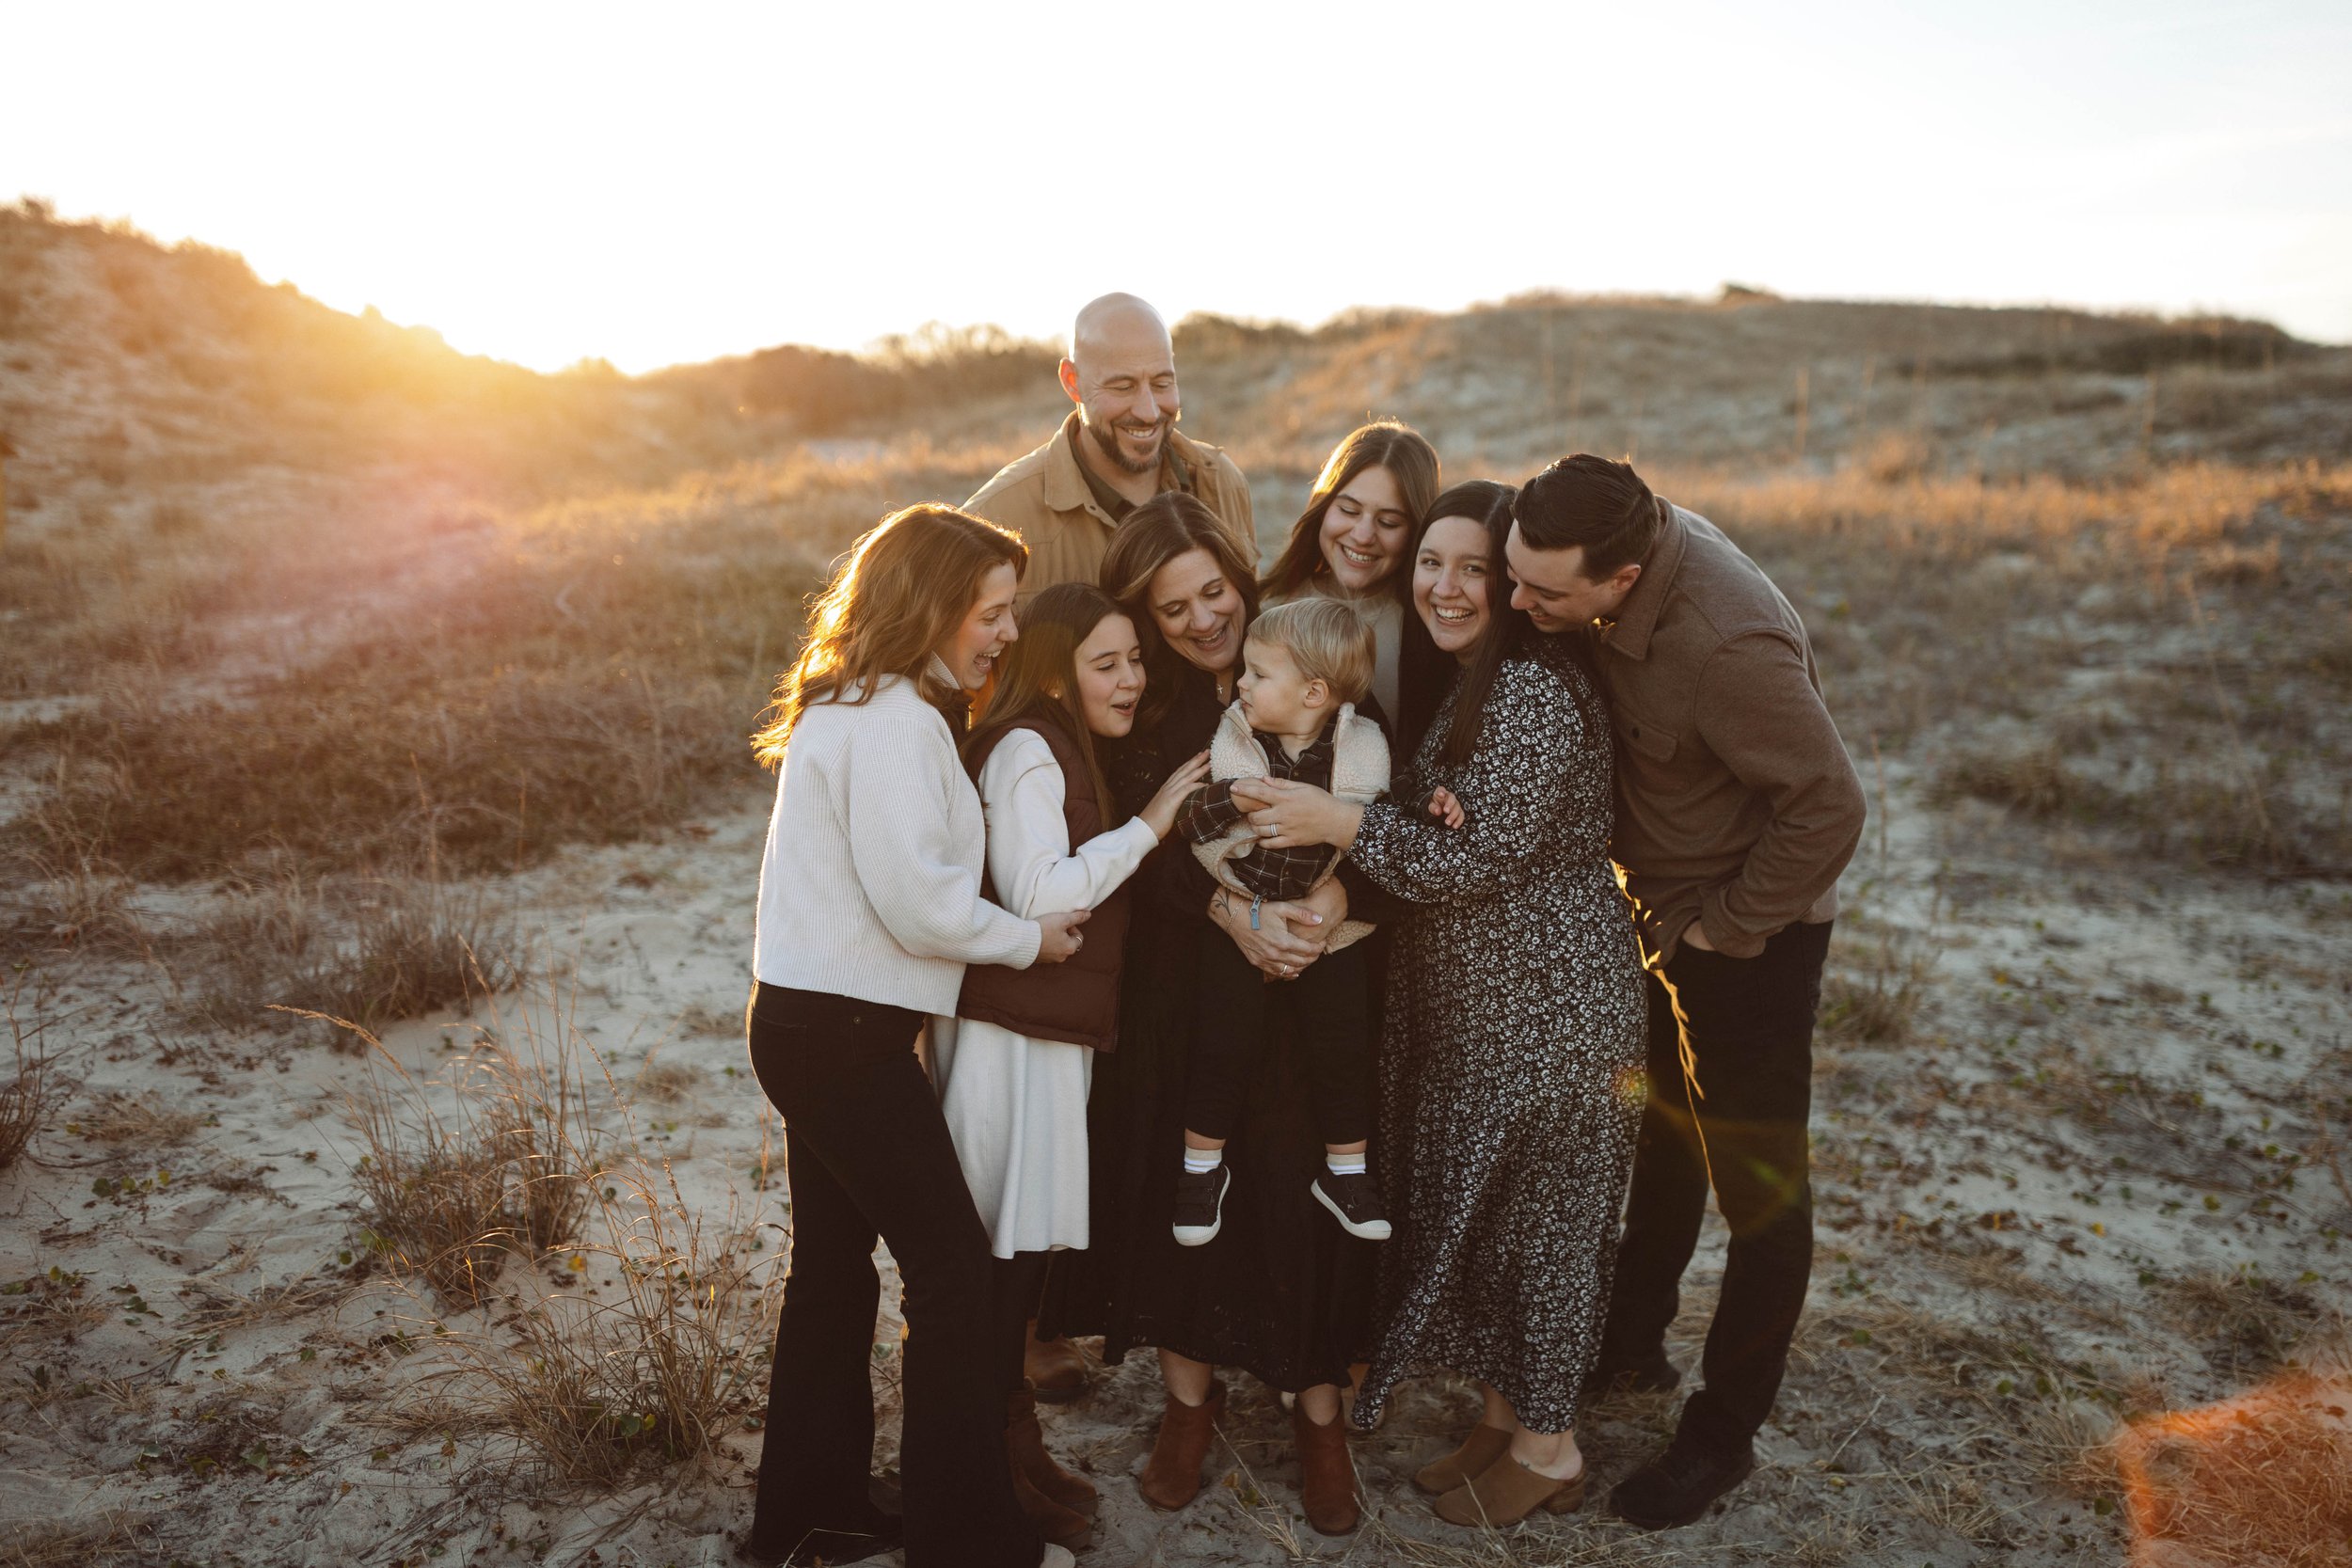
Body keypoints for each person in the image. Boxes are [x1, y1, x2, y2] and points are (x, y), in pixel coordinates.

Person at [1233, 478, 1648, 1528]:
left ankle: (1549, 1448)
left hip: (1551, 1005)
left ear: (1509, 580)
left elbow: (1477, 859)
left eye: (1472, 567)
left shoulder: (1531, 688)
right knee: (1504, 1227)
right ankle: (1503, 1421)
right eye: (1434, 562)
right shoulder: (1478, 679)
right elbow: (1458, 836)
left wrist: (1335, 818)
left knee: (1546, 1231)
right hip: (1489, 1007)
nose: (1446, 585)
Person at [1503, 455, 1866, 1531]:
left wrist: (1726, 926)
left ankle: (1721, 1437)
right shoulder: (1606, 546)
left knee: (1759, 1193)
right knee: (1659, 1131)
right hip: (1654, 911)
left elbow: (1829, 805)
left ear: (1620, 579)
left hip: (1744, 938)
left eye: (1543, 593)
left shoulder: (1725, 645)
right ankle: (1630, 1344)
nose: (1519, 603)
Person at [741, 503, 1090, 1568]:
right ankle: (970, 1543)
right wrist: (1031, 939)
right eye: (989, 611)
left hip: (809, 1024)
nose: (1003, 632)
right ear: (931, 606)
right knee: (950, 1273)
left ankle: (812, 1514)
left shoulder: (852, 704)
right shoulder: (894, 720)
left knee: (835, 1273)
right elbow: (922, 905)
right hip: (843, 1038)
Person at [1038, 491, 1372, 1538]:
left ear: (1241, 576)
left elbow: (1378, 812)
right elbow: (1140, 856)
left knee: (1300, 1176)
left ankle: (1321, 1412)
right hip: (1188, 985)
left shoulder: (1309, 656)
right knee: (1186, 1191)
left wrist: (1334, 899)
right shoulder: (1155, 709)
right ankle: (1190, 1403)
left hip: (1317, 978)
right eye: (1170, 606)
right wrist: (1232, 911)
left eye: (1212, 591)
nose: (1199, 619)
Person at [930, 582, 1209, 1552]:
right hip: (1009, 1043)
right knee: (998, 1269)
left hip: (1041, 1036)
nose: (1130, 677)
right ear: (1055, 669)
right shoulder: (1025, 751)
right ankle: (989, 1469)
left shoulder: (1051, 746)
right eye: (1107, 661)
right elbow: (1042, 892)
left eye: (1136, 658)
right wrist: (1152, 821)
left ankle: (1013, 1456)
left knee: (1018, 1269)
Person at [1172, 598, 1393, 1247]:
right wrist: (1229, 796)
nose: (1240, 685)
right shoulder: (1236, 742)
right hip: (1241, 913)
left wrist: (1443, 809)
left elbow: (1384, 831)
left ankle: (1347, 1172)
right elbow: (1189, 824)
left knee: (1343, 1043)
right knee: (1223, 1040)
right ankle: (1199, 1170)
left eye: (1258, 675)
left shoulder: (1362, 748)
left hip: (1330, 930)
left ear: (1314, 693)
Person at [965, 293, 1256, 606]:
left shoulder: (1223, 482)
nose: (1149, 412)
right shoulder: (992, 519)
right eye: (1123, 387)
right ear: (1072, 381)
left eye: (1161, 384)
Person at [1258, 420, 1444, 728]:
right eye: (1348, 510)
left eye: (1388, 522)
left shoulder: (1428, 632)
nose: (1363, 535)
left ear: (1417, 532)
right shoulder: (1269, 608)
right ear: (1323, 506)